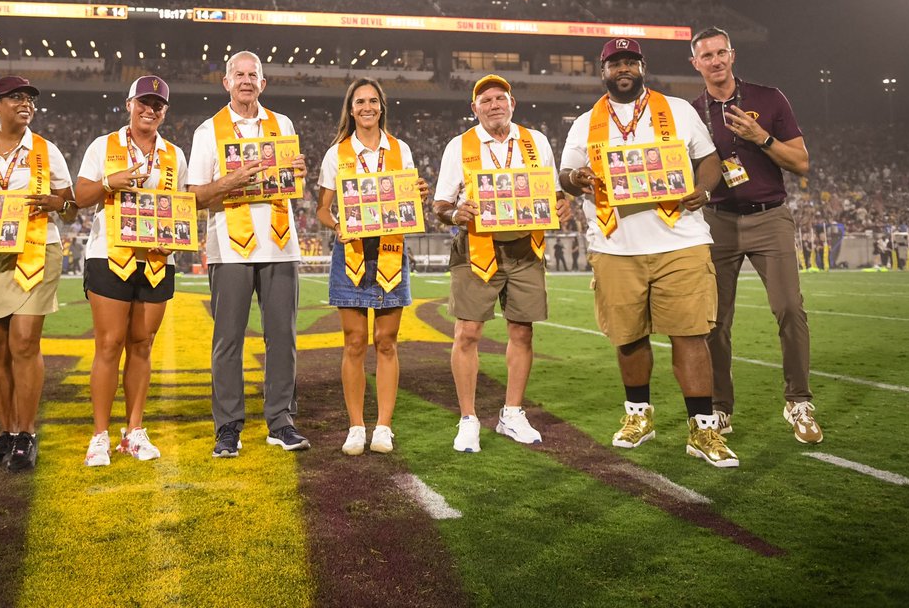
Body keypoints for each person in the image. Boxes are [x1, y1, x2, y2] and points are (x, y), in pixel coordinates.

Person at [559, 38, 735, 468]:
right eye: (615, 62)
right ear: (603, 72)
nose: (623, 68)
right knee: (629, 336)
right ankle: (639, 416)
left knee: (691, 335)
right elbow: (564, 174)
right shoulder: (585, 122)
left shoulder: (677, 109)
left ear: (642, 66)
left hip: (681, 238)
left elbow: (709, 160)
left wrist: (704, 188)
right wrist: (577, 177)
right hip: (616, 243)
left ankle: (703, 429)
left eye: (630, 61)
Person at [689, 26, 822, 443]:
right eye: (706, 55)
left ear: (732, 55)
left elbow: (800, 163)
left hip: (769, 216)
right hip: (717, 220)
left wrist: (760, 137)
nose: (715, 60)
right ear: (695, 64)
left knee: (789, 308)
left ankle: (798, 402)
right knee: (714, 321)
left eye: (720, 52)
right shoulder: (690, 113)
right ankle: (719, 408)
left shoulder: (769, 98)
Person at [432, 74, 571, 452]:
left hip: (525, 247)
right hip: (477, 247)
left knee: (522, 332)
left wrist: (563, 204)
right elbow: (441, 206)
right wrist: (455, 213)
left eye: (500, 98)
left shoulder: (535, 140)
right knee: (468, 333)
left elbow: (552, 192)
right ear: (473, 108)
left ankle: (512, 413)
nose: (494, 105)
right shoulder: (459, 146)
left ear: (513, 102)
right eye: (486, 100)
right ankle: (468, 418)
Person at [188, 50, 309, 457]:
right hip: (229, 248)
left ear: (263, 82)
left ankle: (281, 421)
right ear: (226, 82)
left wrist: (299, 175)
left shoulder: (283, 124)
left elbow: (292, 186)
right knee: (228, 341)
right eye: (238, 74)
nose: (245, 80)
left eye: (252, 74)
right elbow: (194, 197)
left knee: (283, 338)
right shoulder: (208, 130)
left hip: (280, 243)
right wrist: (230, 181)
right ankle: (228, 427)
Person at [0, 76, 77, 472]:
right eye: (16, 97)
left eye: (29, 98)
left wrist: (57, 203)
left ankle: (27, 434)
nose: (25, 103)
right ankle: (7, 432)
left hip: (35, 251)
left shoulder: (48, 150)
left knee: (24, 342)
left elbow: (72, 206)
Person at [75, 76, 187, 465]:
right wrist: (111, 181)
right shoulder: (102, 146)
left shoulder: (174, 154)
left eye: (158, 104)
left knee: (142, 345)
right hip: (110, 254)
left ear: (165, 111)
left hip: (156, 260)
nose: (150, 109)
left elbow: (180, 210)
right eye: (144, 101)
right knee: (108, 345)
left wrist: (173, 238)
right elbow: (79, 196)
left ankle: (134, 430)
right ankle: (100, 435)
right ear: (129, 104)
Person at [315, 78, 429, 456]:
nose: (367, 106)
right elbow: (322, 211)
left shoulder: (401, 150)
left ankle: (383, 426)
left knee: (386, 342)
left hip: (391, 252)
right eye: (360, 101)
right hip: (351, 256)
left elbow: (407, 205)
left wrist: (419, 196)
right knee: (353, 343)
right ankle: (355, 426)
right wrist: (338, 227)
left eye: (373, 101)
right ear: (351, 109)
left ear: (382, 107)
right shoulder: (337, 154)